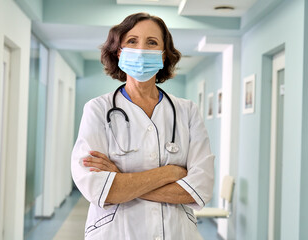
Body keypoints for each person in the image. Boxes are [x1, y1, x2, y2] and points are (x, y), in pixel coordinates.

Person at [71, 12, 214, 240]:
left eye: (152, 42)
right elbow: (97, 188)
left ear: (164, 55)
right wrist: (170, 173)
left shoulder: (187, 111)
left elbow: (200, 189)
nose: (141, 50)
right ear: (119, 52)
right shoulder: (97, 110)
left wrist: (122, 180)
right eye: (132, 41)